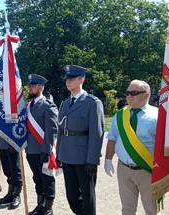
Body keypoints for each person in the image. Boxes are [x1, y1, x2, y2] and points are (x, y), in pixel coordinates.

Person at [104, 80, 158, 215]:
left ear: (146, 95)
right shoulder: (121, 115)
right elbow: (112, 138)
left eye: (134, 93)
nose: (129, 96)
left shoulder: (158, 116)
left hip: (147, 170)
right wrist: (108, 159)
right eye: (128, 93)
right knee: (127, 209)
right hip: (124, 169)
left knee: (151, 209)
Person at [56, 65, 105, 215]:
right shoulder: (65, 103)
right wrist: (58, 154)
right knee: (72, 197)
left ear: (81, 80)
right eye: (67, 79)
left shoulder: (92, 103)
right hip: (67, 156)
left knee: (87, 197)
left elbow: (97, 133)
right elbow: (61, 130)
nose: (68, 82)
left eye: (72, 79)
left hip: (83, 158)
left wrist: (92, 159)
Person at [26, 74, 58, 215]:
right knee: (37, 178)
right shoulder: (28, 106)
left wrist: (47, 150)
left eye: (33, 85)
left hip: (42, 150)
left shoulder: (47, 105)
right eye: (29, 86)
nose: (30, 88)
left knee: (47, 178)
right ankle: (40, 204)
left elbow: (52, 130)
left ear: (41, 87)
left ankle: (48, 207)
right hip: (31, 150)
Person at [0, 134, 22, 210]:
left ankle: (17, 195)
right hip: (1, 143)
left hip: (12, 142)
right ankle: (11, 193)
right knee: (7, 170)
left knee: (15, 170)